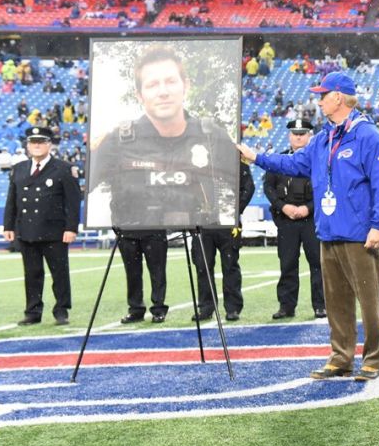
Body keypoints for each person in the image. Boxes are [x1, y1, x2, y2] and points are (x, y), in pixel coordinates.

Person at [242, 72, 379, 380]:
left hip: (359, 235)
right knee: (336, 302)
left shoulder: (368, 136)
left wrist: (378, 225)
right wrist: (256, 157)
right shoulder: (323, 139)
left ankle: (372, 359)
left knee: (369, 301)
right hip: (329, 232)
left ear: (338, 97)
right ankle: (341, 357)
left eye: (323, 95)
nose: (319, 100)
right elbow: (293, 164)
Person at [86, 46, 242, 230]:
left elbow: (243, 185)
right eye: (152, 85)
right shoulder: (117, 142)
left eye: (170, 81)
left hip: (200, 242)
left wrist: (225, 225)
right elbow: (82, 188)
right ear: (139, 95)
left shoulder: (213, 137)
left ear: (186, 85)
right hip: (139, 241)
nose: (163, 92)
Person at [3, 126, 81, 326]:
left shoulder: (63, 168)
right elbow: (12, 199)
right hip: (27, 230)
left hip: (54, 231)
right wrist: (8, 226)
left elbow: (72, 202)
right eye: (33, 142)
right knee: (32, 274)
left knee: (59, 273)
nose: (36, 146)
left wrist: (71, 228)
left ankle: (62, 310)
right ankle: (33, 311)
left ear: (49, 144)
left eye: (41, 142)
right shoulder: (19, 169)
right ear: (28, 145)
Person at [262, 117, 326, 321]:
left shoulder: (318, 160)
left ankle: (321, 305)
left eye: (303, 134)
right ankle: (286, 306)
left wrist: (308, 208)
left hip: (311, 219)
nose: (298, 138)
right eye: (295, 134)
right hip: (287, 220)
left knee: (318, 264)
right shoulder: (279, 160)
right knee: (287, 263)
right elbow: (268, 188)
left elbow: (325, 187)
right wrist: (283, 207)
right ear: (289, 136)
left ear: (310, 136)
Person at [193, 163, 255, 321]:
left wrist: (235, 210)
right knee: (203, 266)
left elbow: (249, 188)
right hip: (202, 223)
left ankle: (233, 308)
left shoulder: (236, 164)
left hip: (228, 223)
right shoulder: (195, 165)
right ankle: (206, 308)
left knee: (230, 265)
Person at [117, 229, 169, 324]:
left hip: (153, 229)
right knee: (132, 273)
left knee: (157, 272)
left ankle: (158, 309)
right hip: (128, 231)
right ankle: (136, 309)